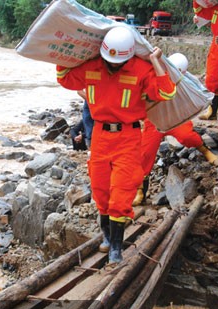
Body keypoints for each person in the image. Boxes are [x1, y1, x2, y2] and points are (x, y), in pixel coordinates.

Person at [56, 26, 176, 264]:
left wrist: (155, 61)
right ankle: (107, 237)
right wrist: (67, 53)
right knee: (100, 190)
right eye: (109, 60)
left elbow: (167, 92)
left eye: (117, 62)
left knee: (121, 194)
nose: (112, 65)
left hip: (128, 137)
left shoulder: (141, 69)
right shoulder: (92, 66)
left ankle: (116, 249)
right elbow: (64, 78)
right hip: (100, 136)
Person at [133, 52, 218, 205]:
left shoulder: (187, 80)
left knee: (188, 136)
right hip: (155, 121)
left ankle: (206, 151)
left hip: (176, 117)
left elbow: (202, 93)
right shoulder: (156, 74)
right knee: (145, 153)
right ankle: (140, 191)